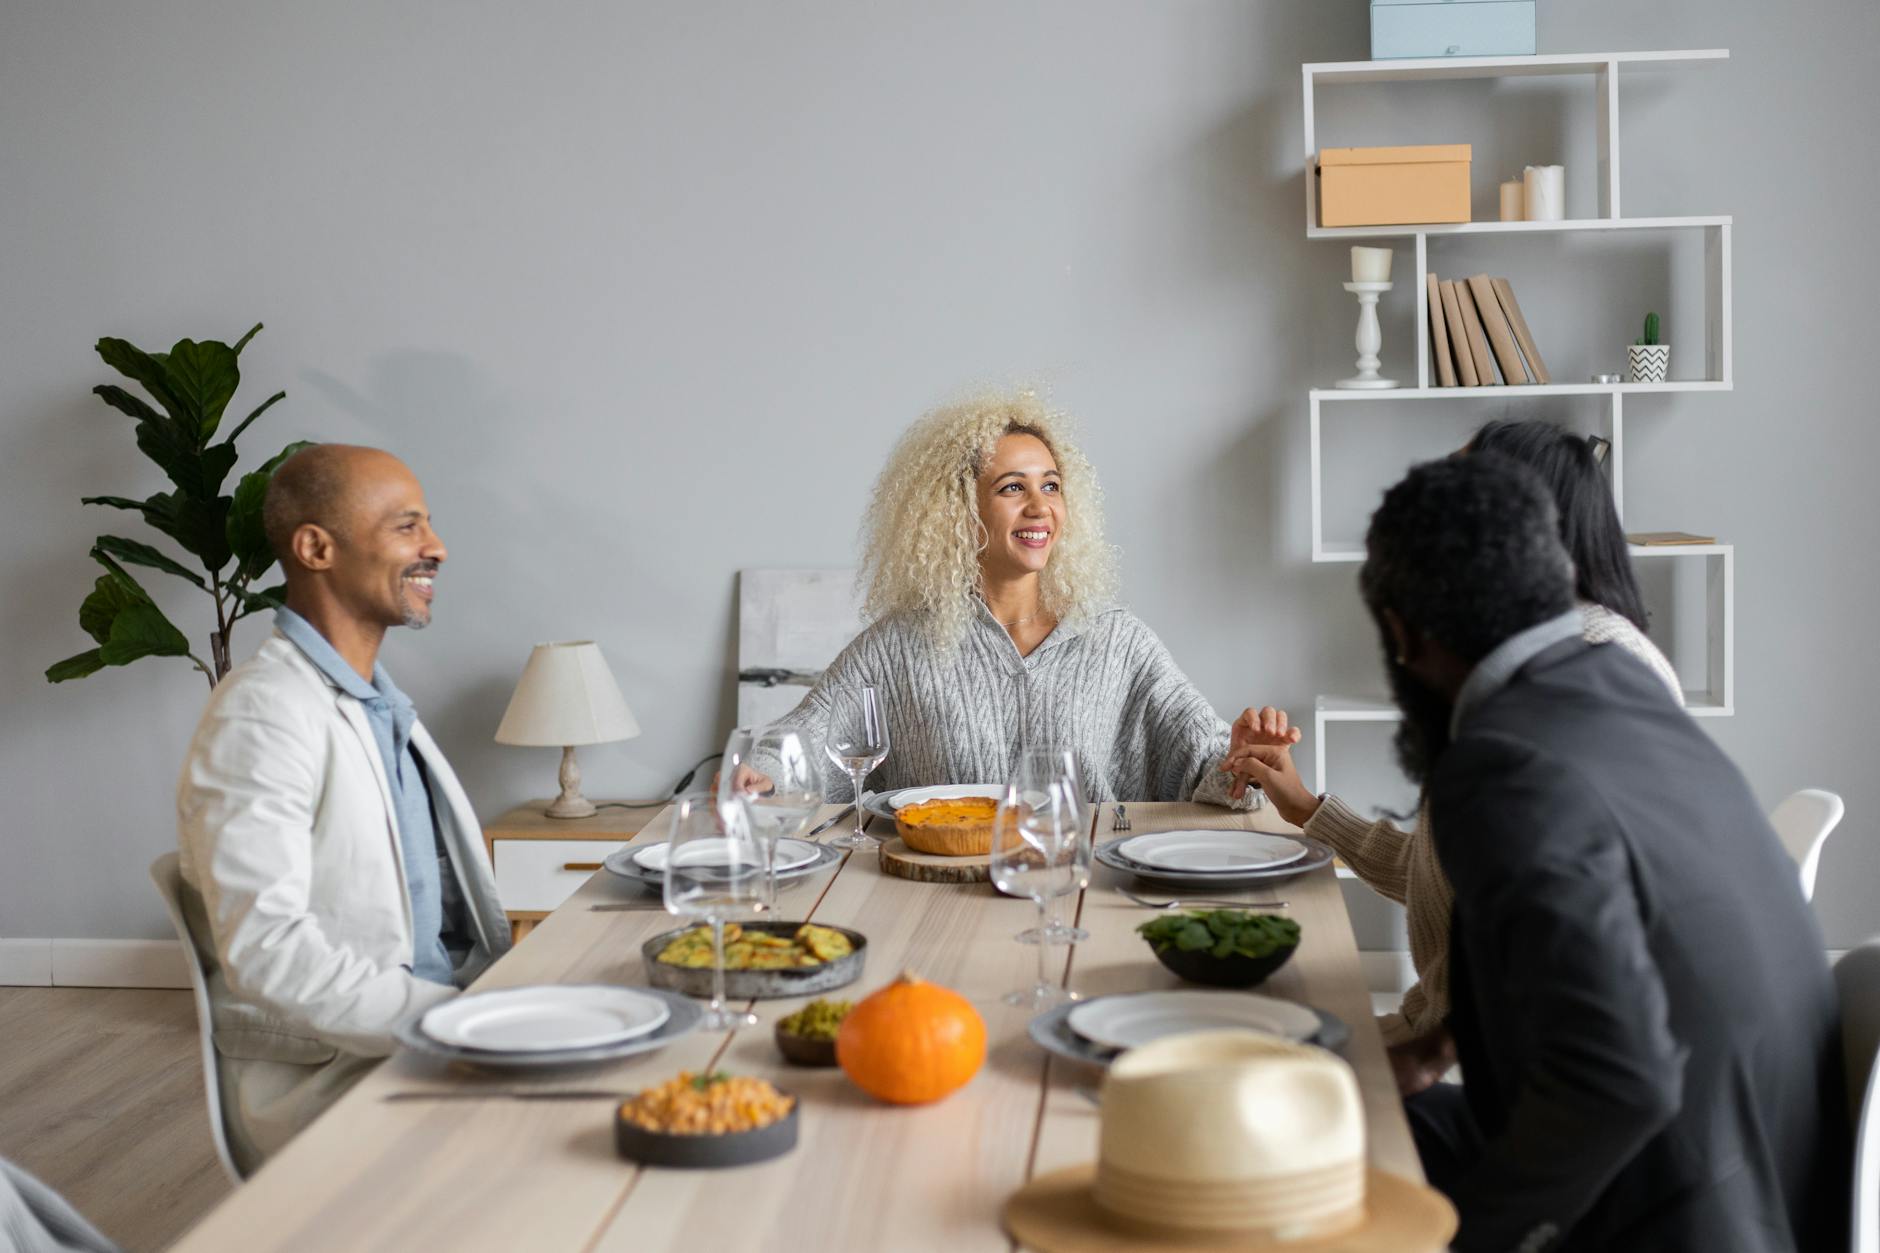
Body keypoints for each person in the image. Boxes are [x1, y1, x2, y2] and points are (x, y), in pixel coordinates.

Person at [1338, 454, 1845, 1250]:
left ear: (1403, 633)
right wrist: (1435, 1048)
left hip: (1667, 1214)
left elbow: (1618, 1082)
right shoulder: (1617, 681)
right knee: (1358, 1122)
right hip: (1763, 1180)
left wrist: (1472, 1241)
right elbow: (1593, 935)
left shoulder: (1500, 763)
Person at [1226, 419, 1680, 1091]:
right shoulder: (1554, 661)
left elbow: (1568, 991)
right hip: (1451, 1052)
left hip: (1487, 1080)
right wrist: (1308, 809)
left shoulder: (1570, 684)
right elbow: (1449, 877)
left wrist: (1411, 1057)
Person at [174, 445, 509, 1171]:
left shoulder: (379, 704)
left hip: (434, 1033)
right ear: (315, 547)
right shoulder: (261, 715)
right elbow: (268, 949)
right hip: (352, 1076)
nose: (437, 547)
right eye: (406, 526)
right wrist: (458, 1022)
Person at [770, 389, 1295, 804]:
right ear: (958, 510)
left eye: (1050, 486)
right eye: (1012, 488)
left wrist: (1241, 762)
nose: (1040, 507)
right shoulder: (897, 647)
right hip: (939, 905)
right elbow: (800, 741)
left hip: (1084, 900)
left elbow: (1205, 765)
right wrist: (763, 774)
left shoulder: (1117, 641)